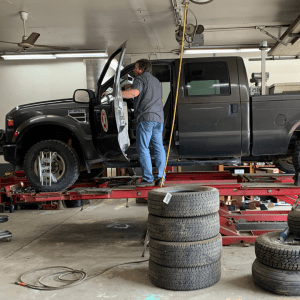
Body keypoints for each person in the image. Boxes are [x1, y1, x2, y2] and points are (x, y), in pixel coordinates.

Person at [121, 59, 166, 187]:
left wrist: (116, 94)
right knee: (158, 147)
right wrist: (127, 87)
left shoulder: (139, 79)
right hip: (158, 119)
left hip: (146, 118)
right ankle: (161, 177)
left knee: (143, 148)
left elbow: (134, 92)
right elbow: (141, 89)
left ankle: (147, 178)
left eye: (135, 68)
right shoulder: (156, 81)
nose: (134, 70)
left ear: (141, 69)